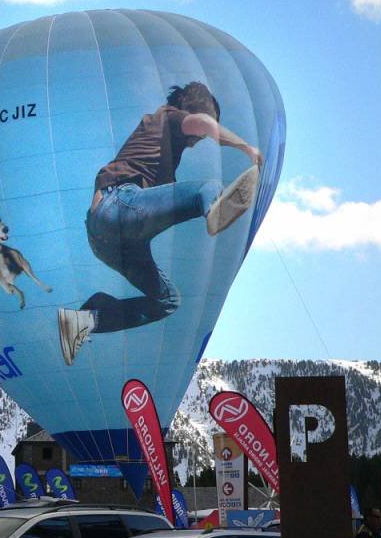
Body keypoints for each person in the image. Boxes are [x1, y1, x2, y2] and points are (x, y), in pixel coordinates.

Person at [57, 82, 264, 365]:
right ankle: (213, 209)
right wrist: (246, 148)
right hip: (118, 204)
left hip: (110, 242)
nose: (200, 139)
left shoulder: (162, 150)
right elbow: (201, 123)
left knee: (167, 301)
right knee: (208, 187)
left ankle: (85, 319)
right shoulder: (169, 116)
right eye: (205, 131)